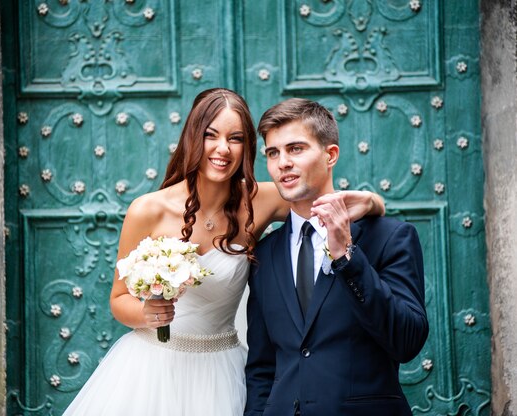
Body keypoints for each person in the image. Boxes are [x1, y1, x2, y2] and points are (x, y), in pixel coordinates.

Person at [63, 89, 385, 416]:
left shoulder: (263, 200)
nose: (222, 149)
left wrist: (374, 202)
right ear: (193, 138)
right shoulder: (147, 210)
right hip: (153, 367)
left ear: (247, 147)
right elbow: (118, 299)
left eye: (235, 138)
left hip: (220, 369)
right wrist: (147, 313)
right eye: (210, 135)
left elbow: (325, 200)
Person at [244, 98, 429, 416]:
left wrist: (347, 256)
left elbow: (407, 341)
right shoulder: (264, 254)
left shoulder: (390, 237)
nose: (282, 163)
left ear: (330, 155)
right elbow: (261, 369)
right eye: (273, 153)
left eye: (296, 149)